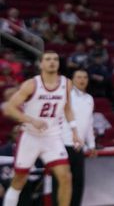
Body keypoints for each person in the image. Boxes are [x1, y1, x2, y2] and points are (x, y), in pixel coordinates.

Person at [2, 51, 82, 206]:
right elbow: (9, 108)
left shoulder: (67, 83)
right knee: (19, 180)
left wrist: (74, 131)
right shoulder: (31, 84)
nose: (52, 62)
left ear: (59, 63)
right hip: (30, 136)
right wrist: (31, 120)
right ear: (41, 64)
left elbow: (67, 108)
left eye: (55, 59)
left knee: (65, 177)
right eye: (48, 59)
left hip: (52, 137)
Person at [53, 70, 95, 206]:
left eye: (85, 77)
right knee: (61, 182)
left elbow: (89, 123)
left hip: (78, 147)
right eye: (79, 77)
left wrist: (92, 145)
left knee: (78, 184)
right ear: (72, 79)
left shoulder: (89, 99)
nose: (82, 80)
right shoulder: (65, 96)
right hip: (62, 145)